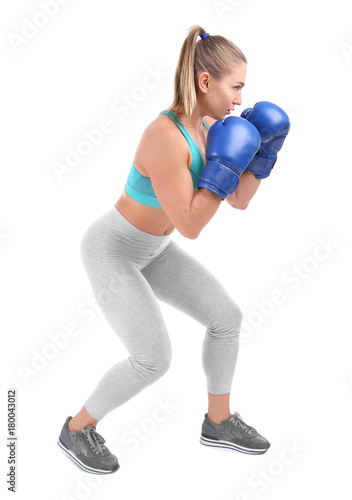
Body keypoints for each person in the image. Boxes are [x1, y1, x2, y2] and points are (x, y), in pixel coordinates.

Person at [57, 25, 290, 474]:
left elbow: (238, 200)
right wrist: (226, 164)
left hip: (154, 248)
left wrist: (261, 156)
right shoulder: (164, 137)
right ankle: (77, 428)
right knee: (153, 359)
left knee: (226, 319)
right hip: (114, 250)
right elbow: (190, 224)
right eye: (236, 86)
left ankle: (218, 422)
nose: (241, 99)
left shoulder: (210, 126)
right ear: (206, 82)